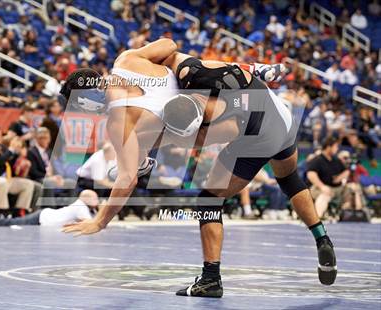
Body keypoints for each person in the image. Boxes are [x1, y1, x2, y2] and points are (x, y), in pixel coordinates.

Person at [61, 39, 301, 295]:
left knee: (165, 147)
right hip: (218, 96)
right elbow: (170, 43)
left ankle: (142, 159)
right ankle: (249, 69)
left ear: (86, 103)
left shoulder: (117, 123)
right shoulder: (127, 61)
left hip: (204, 126)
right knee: (179, 63)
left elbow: (128, 181)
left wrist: (100, 221)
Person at [0, 190, 99, 228]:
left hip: (44, 216)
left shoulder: (83, 206)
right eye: (95, 198)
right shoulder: (81, 206)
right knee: (11, 222)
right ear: (86, 198)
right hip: (42, 218)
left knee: (12, 222)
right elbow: (94, 224)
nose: (97, 201)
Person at [0, 127, 35, 212]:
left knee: (28, 184)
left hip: (7, 179)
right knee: (2, 182)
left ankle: (20, 211)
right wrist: (11, 149)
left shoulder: (2, 147)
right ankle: (3, 211)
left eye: (1, 135)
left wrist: (18, 153)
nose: (0, 137)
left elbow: (10, 162)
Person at [306, 137, 349, 218]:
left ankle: (353, 215)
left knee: (352, 189)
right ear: (329, 147)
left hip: (336, 188)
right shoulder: (317, 160)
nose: (337, 149)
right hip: (318, 188)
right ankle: (317, 219)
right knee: (325, 195)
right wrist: (322, 187)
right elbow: (311, 174)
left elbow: (346, 171)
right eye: (335, 146)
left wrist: (339, 178)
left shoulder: (336, 160)